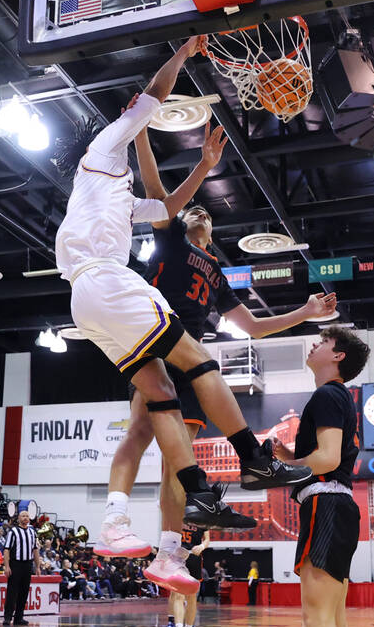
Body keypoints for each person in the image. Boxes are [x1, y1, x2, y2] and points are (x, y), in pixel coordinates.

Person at [61, 40, 312, 585]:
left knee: (165, 396)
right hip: (107, 284)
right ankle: (253, 457)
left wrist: (203, 166)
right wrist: (180, 53)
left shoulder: (116, 196)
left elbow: (167, 205)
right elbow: (152, 95)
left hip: (90, 299)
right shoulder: (103, 152)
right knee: (200, 365)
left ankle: (170, 508)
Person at [269, 327, 371, 627]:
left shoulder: (328, 394)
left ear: (338, 355)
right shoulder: (337, 399)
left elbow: (327, 460)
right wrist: (288, 459)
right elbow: (329, 458)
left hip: (325, 505)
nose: (314, 344)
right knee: (334, 621)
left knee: (319, 621)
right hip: (337, 504)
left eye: (324, 341)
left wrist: (280, 471)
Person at [166, 526, 210, 627]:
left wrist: (201, 546)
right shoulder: (177, 514)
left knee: (191, 596)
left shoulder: (203, 517)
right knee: (177, 594)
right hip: (178, 558)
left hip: (194, 558)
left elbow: (207, 539)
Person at [2, 509, 40, 625]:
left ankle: (19, 617)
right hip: (15, 564)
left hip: (27, 564)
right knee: (12, 592)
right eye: (23, 516)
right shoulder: (13, 531)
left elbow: (35, 550)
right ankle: (8, 617)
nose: (25, 518)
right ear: (18, 518)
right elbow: (6, 549)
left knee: (24, 592)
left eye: (27, 516)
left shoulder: (32, 532)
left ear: (29, 519)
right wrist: (7, 566)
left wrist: (37, 566)